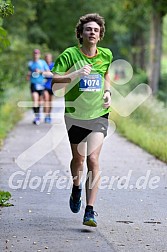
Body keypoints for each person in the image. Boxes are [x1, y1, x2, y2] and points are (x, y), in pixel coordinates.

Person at [51, 13, 113, 227]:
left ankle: (90, 211)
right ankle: (76, 187)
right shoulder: (69, 54)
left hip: (99, 114)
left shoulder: (106, 55)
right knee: (78, 160)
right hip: (75, 115)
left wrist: (108, 93)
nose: (92, 32)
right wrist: (76, 73)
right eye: (88, 29)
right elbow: (55, 85)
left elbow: (106, 77)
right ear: (81, 33)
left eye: (96, 30)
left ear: (100, 34)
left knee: (93, 160)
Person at [27, 49, 50, 125]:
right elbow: (29, 73)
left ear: (39, 55)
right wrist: (28, 75)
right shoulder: (30, 63)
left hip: (41, 84)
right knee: (35, 100)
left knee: (40, 102)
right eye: (34, 54)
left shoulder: (42, 63)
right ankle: (37, 116)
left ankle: (39, 114)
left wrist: (40, 72)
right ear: (32, 55)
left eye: (37, 54)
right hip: (33, 84)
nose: (35, 55)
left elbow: (48, 73)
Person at [43, 53, 54, 123]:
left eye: (49, 58)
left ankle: (49, 115)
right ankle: (46, 116)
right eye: (46, 58)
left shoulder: (54, 65)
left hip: (52, 86)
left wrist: (45, 73)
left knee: (50, 102)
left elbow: (54, 74)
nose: (48, 59)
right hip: (44, 86)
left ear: (51, 58)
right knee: (46, 100)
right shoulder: (43, 65)